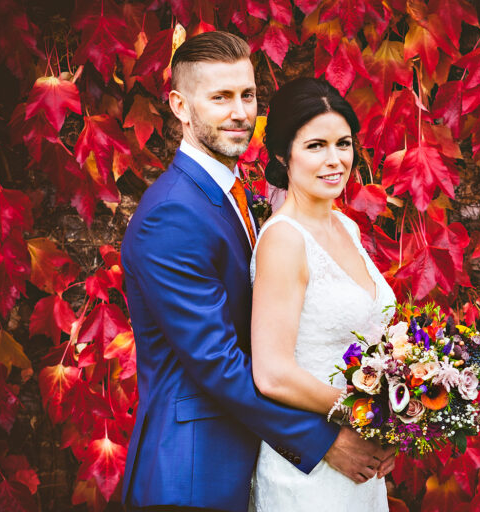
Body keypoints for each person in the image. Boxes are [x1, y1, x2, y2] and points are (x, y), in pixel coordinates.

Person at [120, 31, 393, 512]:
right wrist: (325, 439)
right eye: (220, 97)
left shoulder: (235, 196)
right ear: (180, 106)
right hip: (193, 475)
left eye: (247, 95)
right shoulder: (171, 213)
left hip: (249, 457)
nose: (240, 112)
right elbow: (218, 362)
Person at [248, 77, 397, 511]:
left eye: (343, 144)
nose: (335, 160)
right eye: (316, 146)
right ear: (283, 154)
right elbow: (272, 373)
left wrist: (395, 418)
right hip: (309, 475)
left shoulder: (345, 226)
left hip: (361, 467)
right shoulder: (284, 240)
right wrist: (366, 411)